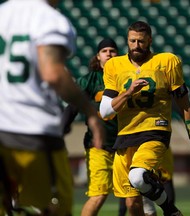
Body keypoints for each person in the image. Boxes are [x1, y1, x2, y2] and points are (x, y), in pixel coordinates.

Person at [0, 0, 104, 215]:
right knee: (55, 209)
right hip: (33, 133)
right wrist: (91, 112)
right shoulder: (49, 19)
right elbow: (53, 74)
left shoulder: (2, 13)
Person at [100, 21, 190, 216]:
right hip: (125, 135)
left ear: (149, 40)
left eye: (141, 41)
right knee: (132, 205)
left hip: (155, 131)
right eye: (132, 41)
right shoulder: (114, 65)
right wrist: (128, 92)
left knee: (138, 176)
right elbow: (106, 112)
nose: (136, 45)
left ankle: (171, 211)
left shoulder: (167, 62)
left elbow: (186, 106)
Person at [62, 38, 118, 216]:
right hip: (98, 146)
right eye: (105, 51)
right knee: (98, 194)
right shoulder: (89, 80)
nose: (109, 53)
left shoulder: (126, 76)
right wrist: (60, 131)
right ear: (98, 56)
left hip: (126, 144)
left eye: (112, 50)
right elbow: (72, 107)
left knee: (134, 197)